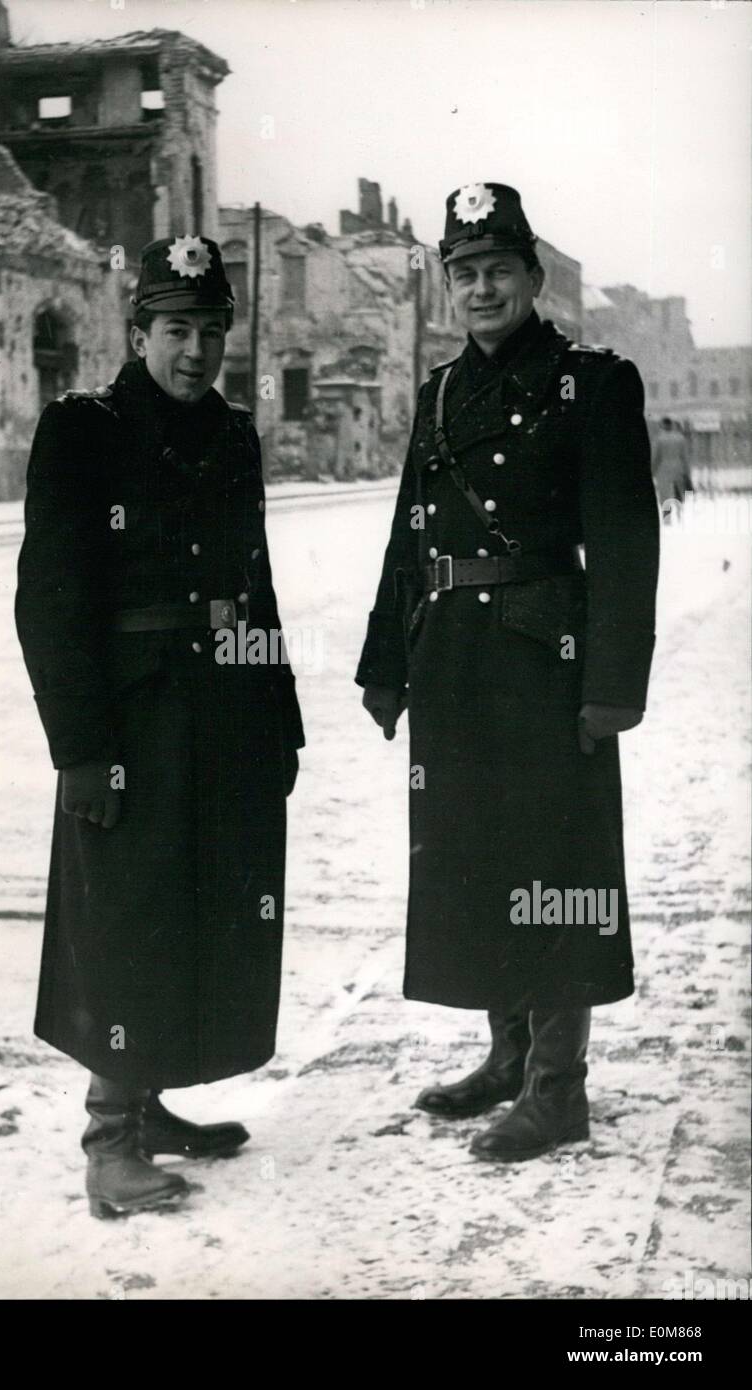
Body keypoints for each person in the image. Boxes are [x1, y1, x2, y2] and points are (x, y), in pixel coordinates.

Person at [356, 183, 660, 1162]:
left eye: (497, 270)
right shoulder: (442, 391)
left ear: (533, 279)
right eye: (464, 273)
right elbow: (410, 530)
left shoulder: (593, 380)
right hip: (452, 658)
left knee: (556, 865)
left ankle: (556, 1087)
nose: (480, 288)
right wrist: (385, 662)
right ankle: (505, 1052)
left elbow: (623, 539)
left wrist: (611, 680)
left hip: (545, 653)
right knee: (478, 854)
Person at [15, 234, 303, 1215]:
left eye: (211, 332)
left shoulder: (230, 434)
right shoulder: (82, 430)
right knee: (129, 914)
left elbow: (254, 586)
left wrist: (282, 714)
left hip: (224, 714)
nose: (196, 352)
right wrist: (81, 749)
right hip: (131, 723)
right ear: (137, 331)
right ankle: (109, 1144)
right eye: (177, 330)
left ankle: (154, 1095)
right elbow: (49, 603)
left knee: (199, 906)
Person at [653, 415, 694, 507]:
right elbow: (685, 457)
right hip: (678, 468)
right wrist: (687, 472)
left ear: (662, 426)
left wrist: (652, 471)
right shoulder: (680, 438)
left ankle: (667, 518)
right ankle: (680, 516)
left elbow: (655, 457)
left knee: (664, 496)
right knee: (678, 493)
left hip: (663, 469)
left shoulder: (659, 439)